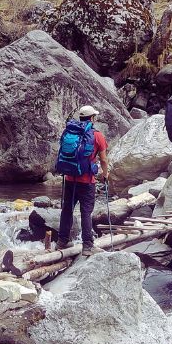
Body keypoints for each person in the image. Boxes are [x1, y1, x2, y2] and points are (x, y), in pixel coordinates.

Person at [57, 105, 110, 251]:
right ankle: (87, 246)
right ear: (92, 118)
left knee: (67, 210)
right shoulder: (97, 135)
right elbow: (103, 159)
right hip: (87, 181)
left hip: (70, 178)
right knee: (86, 212)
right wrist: (105, 174)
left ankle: (62, 241)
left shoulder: (70, 132)